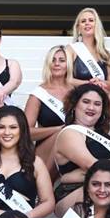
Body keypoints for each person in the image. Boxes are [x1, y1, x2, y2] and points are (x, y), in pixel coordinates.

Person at [54, 83, 110, 218]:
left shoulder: (108, 135)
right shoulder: (69, 133)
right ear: (74, 105)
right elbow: (92, 165)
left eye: (97, 104)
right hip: (75, 192)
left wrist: (80, 174)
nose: (91, 107)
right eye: (86, 102)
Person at [66, 7, 110, 120]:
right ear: (78, 28)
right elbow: (67, 79)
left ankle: (100, 124)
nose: (87, 23)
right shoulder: (71, 49)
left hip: (99, 96)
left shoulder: (105, 53)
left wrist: (101, 83)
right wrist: (88, 83)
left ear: (97, 25)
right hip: (80, 95)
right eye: (83, 21)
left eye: (91, 20)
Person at [24, 44, 72, 174]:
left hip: (73, 147)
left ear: (68, 64)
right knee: (61, 135)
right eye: (53, 60)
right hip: (46, 149)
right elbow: (25, 132)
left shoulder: (76, 92)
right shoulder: (38, 94)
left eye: (62, 60)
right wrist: (57, 129)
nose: (57, 64)